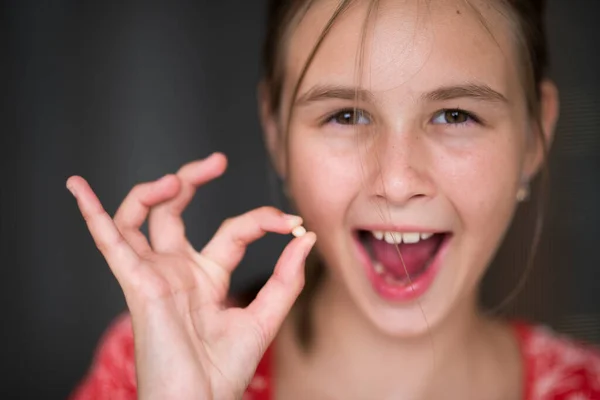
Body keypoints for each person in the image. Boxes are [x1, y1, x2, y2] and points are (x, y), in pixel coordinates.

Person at [66, 0, 600, 399]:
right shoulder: (146, 365)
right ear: (276, 134)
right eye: (346, 115)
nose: (395, 182)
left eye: (455, 115)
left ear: (534, 136)